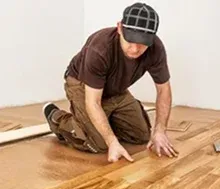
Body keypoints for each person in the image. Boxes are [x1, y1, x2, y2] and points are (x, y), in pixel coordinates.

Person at [43, 2, 179, 163]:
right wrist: (112, 141)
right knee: (99, 144)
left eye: (142, 43)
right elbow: (93, 101)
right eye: (130, 40)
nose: (135, 49)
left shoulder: (156, 48)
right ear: (120, 28)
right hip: (82, 84)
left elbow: (164, 90)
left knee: (141, 136)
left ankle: (103, 121)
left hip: (115, 88)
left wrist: (160, 131)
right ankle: (57, 117)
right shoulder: (100, 49)